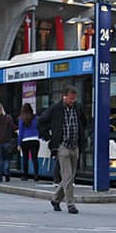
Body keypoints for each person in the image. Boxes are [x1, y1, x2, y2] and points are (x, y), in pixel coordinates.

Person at [39, 85, 85, 214]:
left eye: (74, 99)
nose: (72, 101)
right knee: (68, 176)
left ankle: (55, 199)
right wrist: (49, 137)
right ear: (64, 96)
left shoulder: (78, 108)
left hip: (75, 146)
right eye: (70, 99)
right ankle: (71, 205)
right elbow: (41, 121)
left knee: (69, 177)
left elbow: (83, 123)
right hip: (62, 146)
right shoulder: (55, 109)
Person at [18, 103, 40, 181]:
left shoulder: (21, 119)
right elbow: (39, 127)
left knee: (25, 158)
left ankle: (25, 175)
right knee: (35, 158)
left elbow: (20, 132)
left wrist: (19, 143)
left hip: (25, 140)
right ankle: (36, 175)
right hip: (35, 140)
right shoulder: (35, 118)